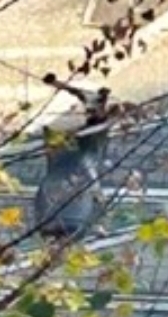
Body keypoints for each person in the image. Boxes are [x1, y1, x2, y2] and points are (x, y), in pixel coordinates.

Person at [34, 80, 112, 241]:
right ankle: (94, 107)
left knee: (90, 145)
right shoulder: (59, 229)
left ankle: (93, 107)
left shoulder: (63, 229)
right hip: (68, 170)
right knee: (91, 143)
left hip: (71, 171)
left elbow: (97, 200)